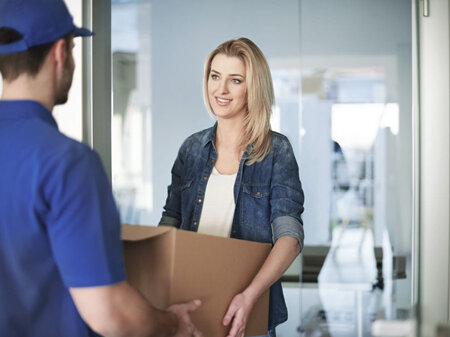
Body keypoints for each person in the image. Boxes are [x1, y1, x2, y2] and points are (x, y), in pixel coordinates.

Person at [0, 1, 202, 336]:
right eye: (75, 48)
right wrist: (172, 324)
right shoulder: (66, 162)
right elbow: (109, 312)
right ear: (60, 52)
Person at [159, 37, 305, 337]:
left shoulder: (277, 150)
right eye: (215, 76)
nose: (220, 90)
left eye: (234, 80)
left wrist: (249, 296)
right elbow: (168, 226)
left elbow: (289, 237)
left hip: (248, 310)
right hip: (190, 305)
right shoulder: (191, 149)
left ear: (253, 88)